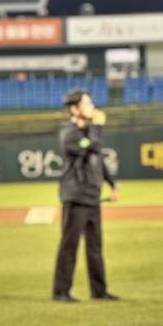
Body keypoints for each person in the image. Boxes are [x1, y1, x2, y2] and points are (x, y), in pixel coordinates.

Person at [52, 88, 119, 302]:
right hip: (76, 195)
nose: (92, 107)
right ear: (74, 108)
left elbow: (97, 156)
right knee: (69, 246)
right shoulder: (70, 133)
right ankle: (61, 291)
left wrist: (112, 184)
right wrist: (98, 126)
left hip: (93, 196)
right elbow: (93, 146)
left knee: (95, 247)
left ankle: (99, 291)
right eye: (87, 104)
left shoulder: (90, 132)